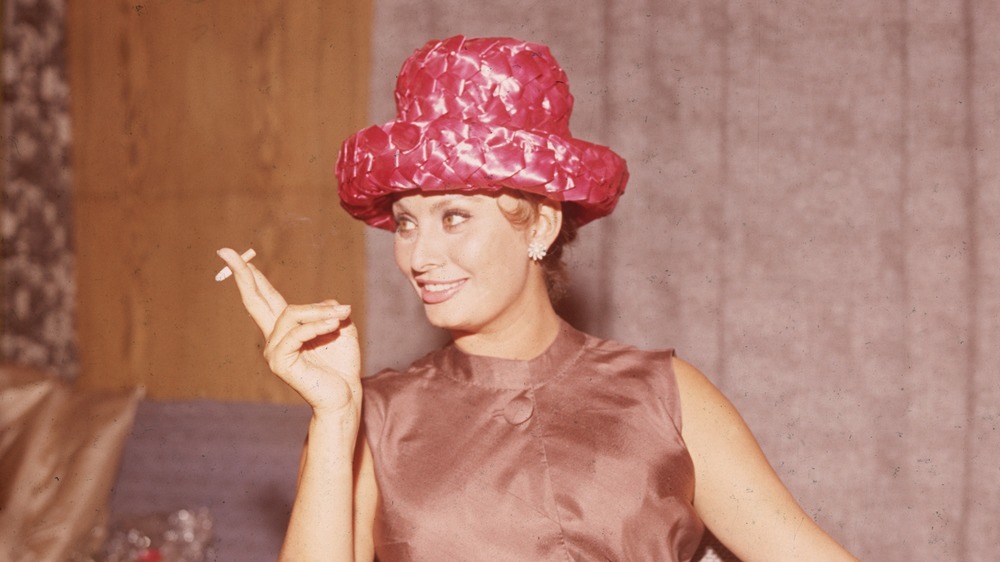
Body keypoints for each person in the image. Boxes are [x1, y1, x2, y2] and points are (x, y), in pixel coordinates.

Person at [217, 35, 857, 562]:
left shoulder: (669, 394)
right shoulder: (369, 419)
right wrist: (334, 417)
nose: (418, 255)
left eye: (454, 217)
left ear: (541, 225)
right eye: (406, 222)